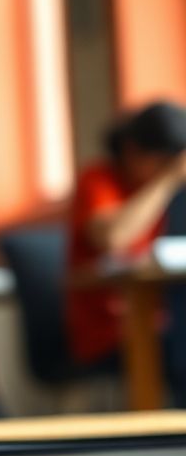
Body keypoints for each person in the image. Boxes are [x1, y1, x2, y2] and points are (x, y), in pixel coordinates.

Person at [65, 101, 186, 399]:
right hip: (111, 331)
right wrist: (167, 180)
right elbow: (113, 239)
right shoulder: (98, 179)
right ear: (132, 150)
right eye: (160, 162)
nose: (165, 170)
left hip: (165, 320)